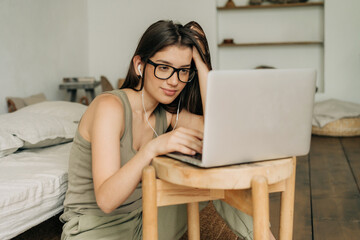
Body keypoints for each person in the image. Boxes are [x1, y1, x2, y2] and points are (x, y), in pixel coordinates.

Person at [60, 20, 259, 240]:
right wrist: (152, 148)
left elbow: (220, 132)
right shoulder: (110, 107)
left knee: (219, 176)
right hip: (95, 230)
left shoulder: (167, 115)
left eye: (183, 71)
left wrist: (202, 65)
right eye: (164, 67)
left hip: (145, 220)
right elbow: (106, 201)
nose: (174, 81)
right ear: (140, 65)